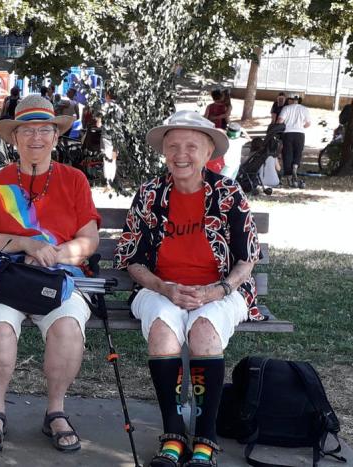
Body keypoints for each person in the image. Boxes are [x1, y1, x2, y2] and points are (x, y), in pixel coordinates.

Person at [114, 110, 261, 467]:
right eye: (173, 146)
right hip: (159, 287)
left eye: (191, 146)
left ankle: (206, 439)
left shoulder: (227, 193)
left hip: (220, 289)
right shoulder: (150, 193)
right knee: (164, 331)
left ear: (208, 152)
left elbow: (247, 258)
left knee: (204, 330)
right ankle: (174, 435)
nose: (181, 154)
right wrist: (163, 287)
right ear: (164, 151)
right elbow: (132, 258)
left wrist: (218, 291)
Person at [0, 94, 100, 453]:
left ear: (56, 137)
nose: (36, 138)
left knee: (68, 327)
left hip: (58, 280)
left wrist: (59, 254)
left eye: (45, 130)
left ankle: (55, 410)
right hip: (6, 280)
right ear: (14, 138)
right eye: (27, 130)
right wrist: (25, 245)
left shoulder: (74, 180)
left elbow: (89, 238)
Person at [277, 95, 311, 183]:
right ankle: (295, 167)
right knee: (298, 152)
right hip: (300, 133)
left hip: (288, 133)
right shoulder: (305, 109)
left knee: (287, 153)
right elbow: (308, 124)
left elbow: (280, 120)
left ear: (291, 100)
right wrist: (301, 126)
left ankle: (288, 174)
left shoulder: (286, 108)